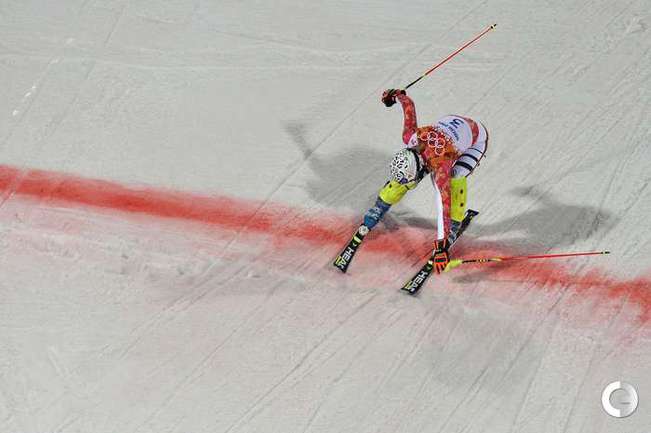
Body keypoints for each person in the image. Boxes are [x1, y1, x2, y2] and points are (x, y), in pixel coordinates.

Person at [361, 89, 489, 273]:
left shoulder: (441, 168)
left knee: (455, 177)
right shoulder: (410, 138)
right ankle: (382, 203)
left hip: (476, 139)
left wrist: (441, 246)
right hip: (451, 124)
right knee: (404, 178)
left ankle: (455, 224)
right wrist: (396, 95)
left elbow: (443, 206)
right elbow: (408, 105)